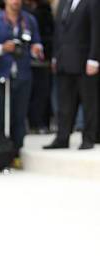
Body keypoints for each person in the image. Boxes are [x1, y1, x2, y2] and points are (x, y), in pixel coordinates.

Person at [0, 0, 43, 165]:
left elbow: (37, 43)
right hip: (1, 74)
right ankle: (2, 154)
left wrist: (36, 49)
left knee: (20, 116)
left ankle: (17, 154)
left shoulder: (29, 20)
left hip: (23, 74)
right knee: (2, 116)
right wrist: (3, 48)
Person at [43, 0, 100, 150]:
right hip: (64, 61)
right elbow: (59, 32)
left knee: (89, 103)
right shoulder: (64, 2)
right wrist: (55, 56)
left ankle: (88, 138)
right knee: (64, 104)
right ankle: (62, 137)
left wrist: (94, 58)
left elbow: (96, 30)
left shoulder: (93, 3)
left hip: (85, 61)